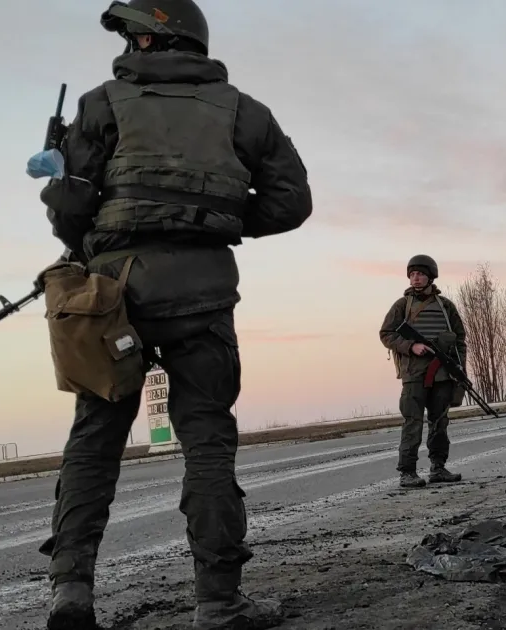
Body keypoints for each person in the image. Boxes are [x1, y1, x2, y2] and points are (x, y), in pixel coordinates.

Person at [37, 1, 313, 628]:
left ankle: (71, 592)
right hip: (204, 296)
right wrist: (216, 220)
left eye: (132, 37)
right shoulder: (246, 111)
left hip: (113, 298)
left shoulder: (100, 104)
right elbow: (292, 202)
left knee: (94, 440)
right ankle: (218, 601)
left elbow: (68, 208)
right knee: (207, 443)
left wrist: (97, 231)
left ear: (151, 39)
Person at [379, 255, 469, 488]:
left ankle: (438, 468)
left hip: (442, 373)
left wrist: (459, 368)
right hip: (414, 374)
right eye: (412, 274)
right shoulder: (402, 306)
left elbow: (460, 339)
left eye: (420, 274)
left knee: (440, 422)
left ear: (430, 277)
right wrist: (411, 346)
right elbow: (386, 334)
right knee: (413, 422)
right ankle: (407, 472)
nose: (415, 278)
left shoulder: (445, 306)